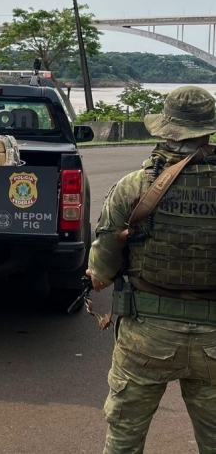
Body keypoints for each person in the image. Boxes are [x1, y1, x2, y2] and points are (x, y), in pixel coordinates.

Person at [88, 85, 216, 454]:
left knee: (124, 440)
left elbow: (99, 277)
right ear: (208, 130)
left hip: (146, 338)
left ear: (165, 129)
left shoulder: (134, 186)